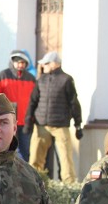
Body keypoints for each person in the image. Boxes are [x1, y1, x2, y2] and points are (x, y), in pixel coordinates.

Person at [25, 52, 83, 183]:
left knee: (66, 159)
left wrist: (78, 125)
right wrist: (28, 121)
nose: (43, 66)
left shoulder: (66, 79)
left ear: (54, 64)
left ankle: (69, 187)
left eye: (46, 63)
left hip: (60, 125)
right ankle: (33, 184)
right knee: (35, 158)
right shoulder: (41, 80)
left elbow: (74, 102)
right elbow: (33, 101)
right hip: (41, 125)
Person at [0, 50, 37, 162]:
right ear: (13, 62)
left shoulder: (31, 78)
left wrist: (32, 117)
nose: (20, 65)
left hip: (26, 121)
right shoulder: (2, 76)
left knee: (26, 151)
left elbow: (35, 99)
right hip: (7, 121)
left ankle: (24, 176)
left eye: (23, 63)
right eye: (18, 62)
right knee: (8, 150)